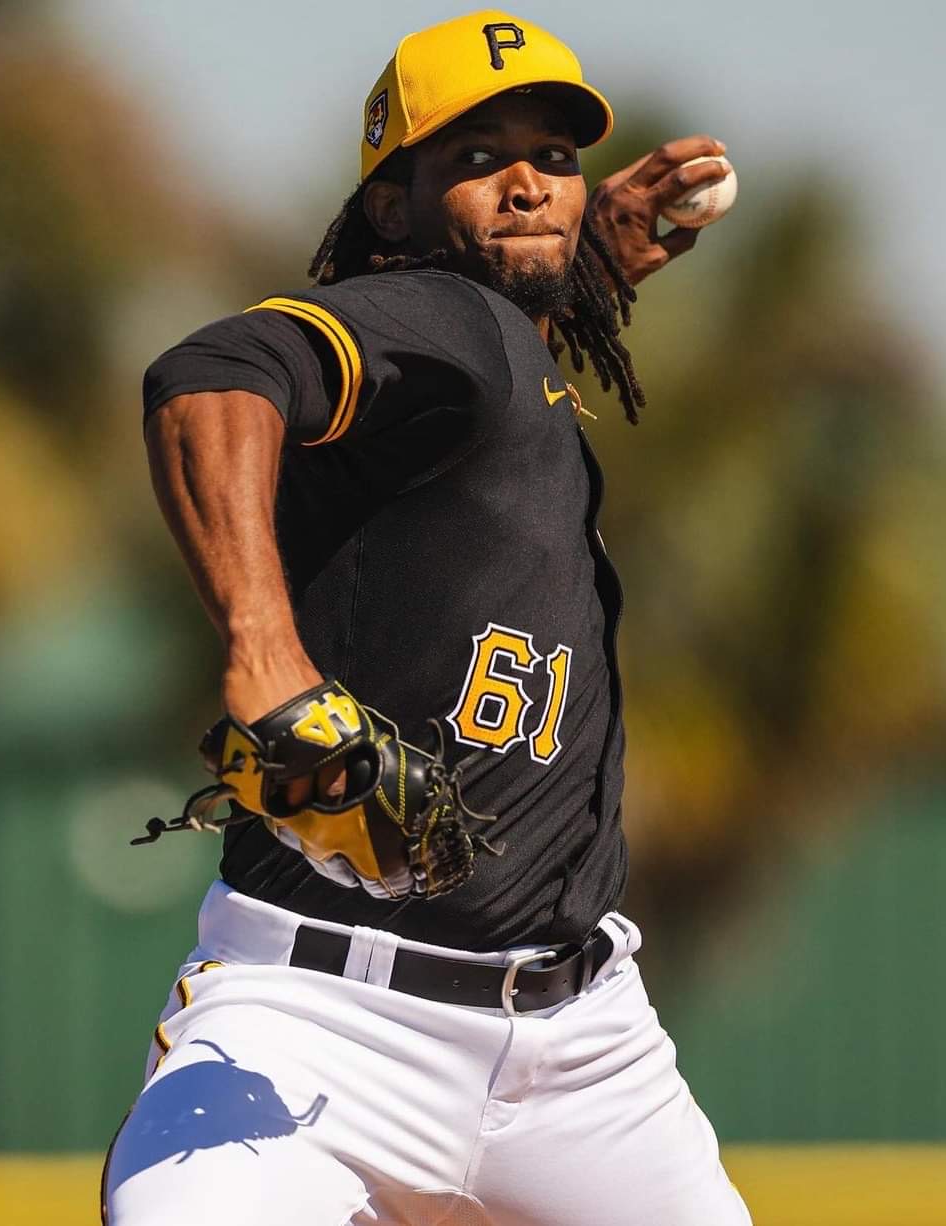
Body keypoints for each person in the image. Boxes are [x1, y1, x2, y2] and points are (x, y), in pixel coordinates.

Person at [103, 9, 752, 1225]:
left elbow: (485, 371)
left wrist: (582, 267)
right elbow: (212, 374)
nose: (528, 185)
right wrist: (265, 655)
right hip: (320, 1020)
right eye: (474, 156)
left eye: (553, 159)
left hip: (584, 1044)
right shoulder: (448, 319)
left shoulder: (506, 352)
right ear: (391, 209)